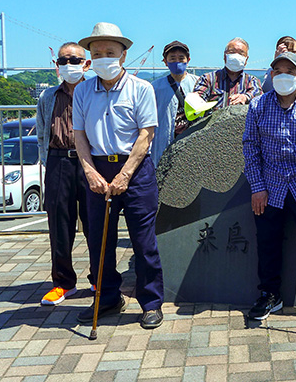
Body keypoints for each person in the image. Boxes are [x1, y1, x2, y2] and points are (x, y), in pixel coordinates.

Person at [73, 22, 164, 330]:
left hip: (135, 171)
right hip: (97, 168)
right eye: (96, 52)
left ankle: (150, 302)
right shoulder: (83, 90)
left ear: (123, 55)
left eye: (109, 52)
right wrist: (89, 172)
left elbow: (146, 135)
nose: (103, 57)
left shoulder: (141, 89)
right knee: (99, 240)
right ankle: (107, 297)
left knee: (143, 240)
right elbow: (80, 136)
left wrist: (125, 174)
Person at [243, 51, 296, 325]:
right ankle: (269, 293)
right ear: (270, 75)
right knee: (267, 241)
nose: (283, 76)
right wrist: (257, 187)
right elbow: (250, 147)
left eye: (289, 72)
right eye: (277, 71)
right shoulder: (258, 106)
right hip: (269, 186)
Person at [36, 42, 93, 305]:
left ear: (86, 64)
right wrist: (47, 162)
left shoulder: (95, 91)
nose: (69, 65)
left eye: (75, 60)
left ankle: (100, 278)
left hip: (91, 162)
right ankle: (63, 282)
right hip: (59, 161)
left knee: (96, 223)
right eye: (64, 61)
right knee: (59, 225)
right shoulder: (48, 96)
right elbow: (41, 131)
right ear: (57, 65)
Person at [151, 41, 199, 164]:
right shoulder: (155, 87)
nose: (177, 62)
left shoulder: (199, 84)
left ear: (188, 60)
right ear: (165, 62)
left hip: (193, 142)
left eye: (181, 58)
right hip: (163, 143)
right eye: (172, 58)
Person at [193, 37, 262, 108]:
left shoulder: (252, 81)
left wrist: (246, 97)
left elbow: (258, 96)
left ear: (246, 59)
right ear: (225, 56)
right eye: (232, 52)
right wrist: (195, 98)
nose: (236, 56)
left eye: (241, 53)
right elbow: (198, 96)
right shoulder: (208, 79)